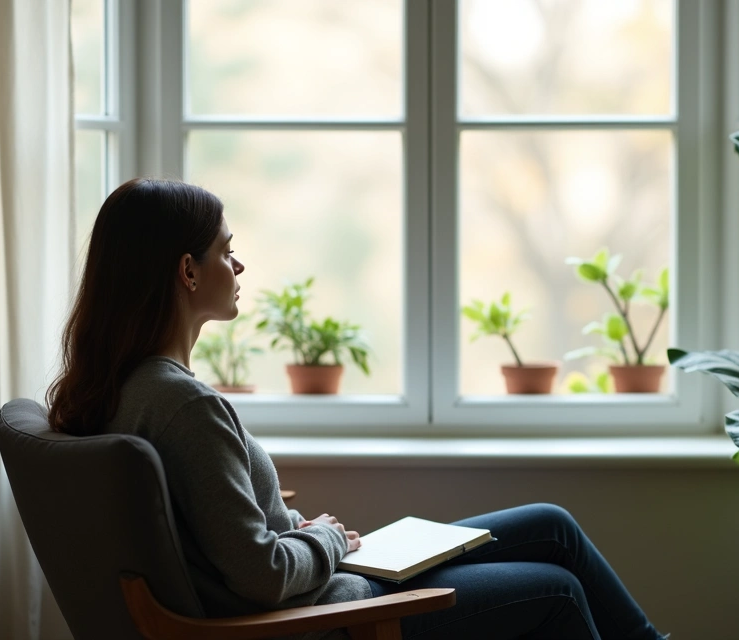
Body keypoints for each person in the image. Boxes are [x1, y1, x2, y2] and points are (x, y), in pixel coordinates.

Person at [47, 178, 669, 640]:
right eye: (226, 251)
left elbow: (229, 541)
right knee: (557, 590)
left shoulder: (122, 387)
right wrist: (324, 538)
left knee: (550, 525)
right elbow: (259, 575)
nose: (238, 266)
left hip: (324, 585)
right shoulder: (182, 406)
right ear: (187, 271)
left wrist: (308, 538)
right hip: (335, 614)